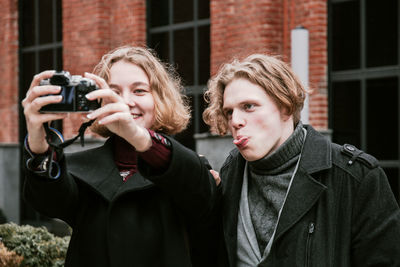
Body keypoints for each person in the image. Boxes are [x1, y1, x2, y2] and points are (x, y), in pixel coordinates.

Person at [22, 45, 219, 267]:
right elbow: (48, 202)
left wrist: (138, 136)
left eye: (139, 91)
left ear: (160, 99)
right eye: (114, 92)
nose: (125, 102)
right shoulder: (80, 169)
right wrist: (38, 146)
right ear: (96, 100)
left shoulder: (188, 168)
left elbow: (201, 196)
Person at [203, 53, 400, 266]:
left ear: (285, 106)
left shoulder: (356, 177)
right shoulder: (231, 172)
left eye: (248, 106)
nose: (236, 121)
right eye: (229, 112)